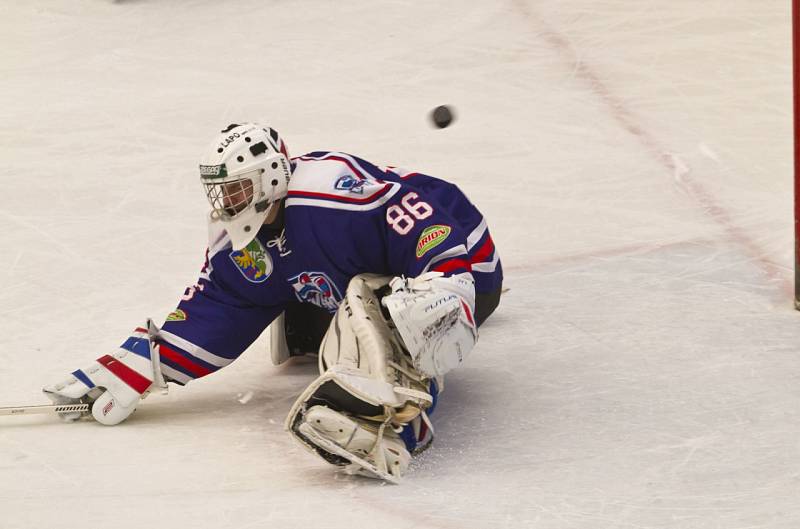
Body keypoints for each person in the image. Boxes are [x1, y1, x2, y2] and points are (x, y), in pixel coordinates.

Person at [43, 123, 503, 481]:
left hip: (464, 262)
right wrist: (147, 363)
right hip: (368, 270)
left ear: (270, 177)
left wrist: (448, 280)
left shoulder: (330, 192)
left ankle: (402, 416)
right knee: (302, 322)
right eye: (220, 191)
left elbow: (419, 214)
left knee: (377, 306)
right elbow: (223, 302)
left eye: (236, 189)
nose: (226, 202)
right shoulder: (238, 234)